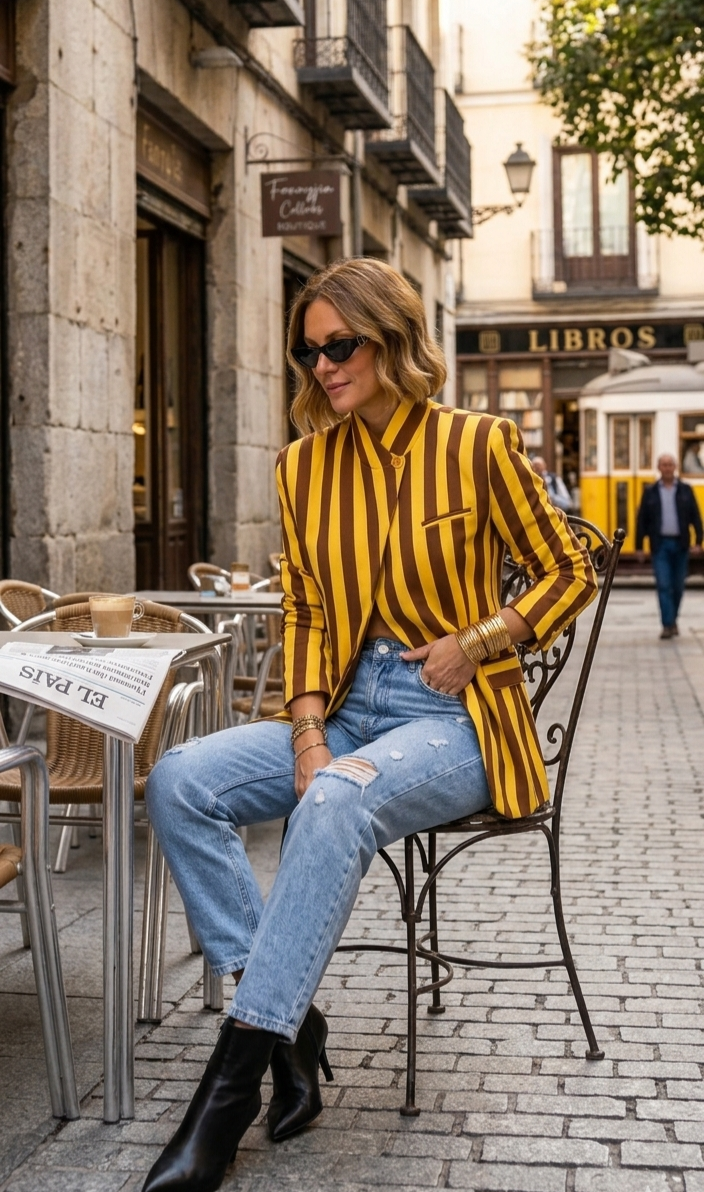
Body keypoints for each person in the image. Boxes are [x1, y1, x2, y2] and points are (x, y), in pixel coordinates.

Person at [141, 258, 598, 1192]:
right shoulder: (302, 468)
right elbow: (307, 611)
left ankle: (225, 1099)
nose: (323, 366)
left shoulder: (477, 445)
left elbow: (571, 569)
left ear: (391, 338)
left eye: (340, 345)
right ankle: (290, 1029)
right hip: (347, 709)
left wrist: (479, 639)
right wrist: (308, 732)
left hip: (457, 717)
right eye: (308, 352)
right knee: (181, 778)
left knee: (335, 802)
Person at [636, 453, 703, 638]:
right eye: (664, 465)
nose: (667, 468)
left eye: (670, 464)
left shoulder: (685, 490)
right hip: (660, 545)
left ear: (675, 467)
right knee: (664, 585)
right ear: (659, 468)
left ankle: (673, 620)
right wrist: (639, 546)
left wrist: (698, 541)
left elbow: (695, 516)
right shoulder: (650, 492)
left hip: (681, 545)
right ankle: (667, 625)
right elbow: (642, 520)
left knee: (678, 586)